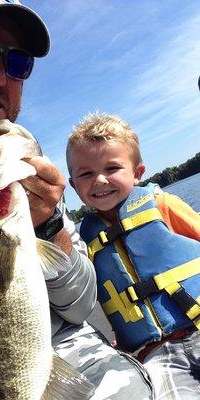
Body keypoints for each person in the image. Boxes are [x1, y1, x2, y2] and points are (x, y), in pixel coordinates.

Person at [0, 1, 153, 399]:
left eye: (18, 62)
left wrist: (48, 225)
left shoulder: (24, 174)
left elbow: (80, 303)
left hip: (80, 365)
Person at [67, 111, 200, 399]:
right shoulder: (82, 240)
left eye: (112, 168)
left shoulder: (161, 204)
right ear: (74, 185)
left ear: (138, 173)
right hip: (155, 353)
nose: (100, 180)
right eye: (86, 173)